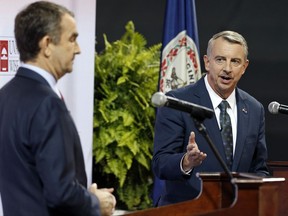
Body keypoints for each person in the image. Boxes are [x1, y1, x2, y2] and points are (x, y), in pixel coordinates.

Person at [0, 1, 116, 216]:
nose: (79, 49)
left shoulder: (5, 95)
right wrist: (94, 202)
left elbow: (32, 178)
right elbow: (60, 194)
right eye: (72, 39)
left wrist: (82, 194)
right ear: (47, 45)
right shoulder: (47, 104)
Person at [152, 30, 270, 206]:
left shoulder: (254, 109)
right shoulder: (177, 102)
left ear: (244, 67)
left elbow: (259, 169)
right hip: (187, 209)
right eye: (220, 59)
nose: (227, 69)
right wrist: (186, 161)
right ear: (207, 62)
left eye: (235, 61)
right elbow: (160, 164)